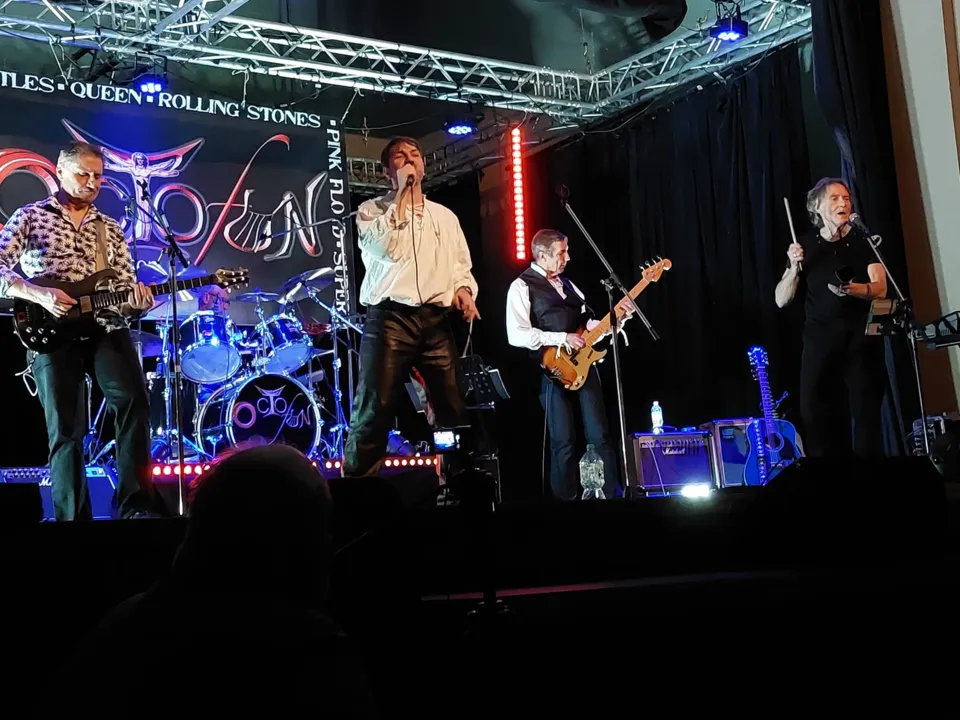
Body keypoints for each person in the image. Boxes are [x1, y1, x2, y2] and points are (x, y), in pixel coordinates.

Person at [58, 445, 378, 716]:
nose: (329, 548)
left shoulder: (121, 634)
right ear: (294, 545)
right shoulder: (313, 657)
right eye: (319, 530)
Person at [0, 141, 156, 520]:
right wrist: (37, 292)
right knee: (66, 427)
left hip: (103, 325)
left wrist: (136, 303)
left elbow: (124, 288)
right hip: (49, 327)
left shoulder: (110, 228)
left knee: (134, 402)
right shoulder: (31, 216)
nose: (91, 182)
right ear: (60, 171)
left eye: (98, 176)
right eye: (83, 174)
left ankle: (135, 506)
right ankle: (72, 519)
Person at [344, 136, 479, 476]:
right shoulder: (371, 211)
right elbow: (386, 249)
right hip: (390, 319)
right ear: (387, 171)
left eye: (415, 155)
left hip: (435, 319)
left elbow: (459, 265)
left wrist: (463, 289)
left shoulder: (445, 216)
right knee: (375, 407)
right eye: (400, 157)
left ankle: (455, 480)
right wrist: (402, 197)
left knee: (451, 404)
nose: (409, 160)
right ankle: (356, 488)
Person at [505, 229, 626, 500]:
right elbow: (517, 335)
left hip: (584, 365)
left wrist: (616, 321)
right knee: (563, 440)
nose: (567, 258)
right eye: (561, 253)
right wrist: (561, 338)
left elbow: (587, 328)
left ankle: (612, 496)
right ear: (542, 255)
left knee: (599, 434)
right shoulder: (522, 286)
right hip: (551, 371)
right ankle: (565, 501)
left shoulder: (570, 285)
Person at [775, 177, 887, 457]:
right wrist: (793, 268)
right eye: (834, 199)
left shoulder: (863, 241)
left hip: (860, 341)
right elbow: (781, 299)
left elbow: (881, 287)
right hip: (820, 341)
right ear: (817, 207)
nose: (843, 203)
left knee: (866, 416)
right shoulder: (804, 246)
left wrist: (853, 289)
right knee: (814, 412)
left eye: (846, 198)